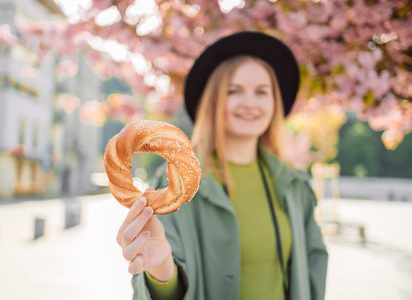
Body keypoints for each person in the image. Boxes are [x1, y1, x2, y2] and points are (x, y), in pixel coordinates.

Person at [115, 31, 328, 300]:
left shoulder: (294, 186)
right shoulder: (176, 185)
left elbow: (313, 271)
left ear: (275, 103)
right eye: (234, 91)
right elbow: (166, 286)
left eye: (262, 92)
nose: (249, 103)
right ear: (213, 100)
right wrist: (160, 269)